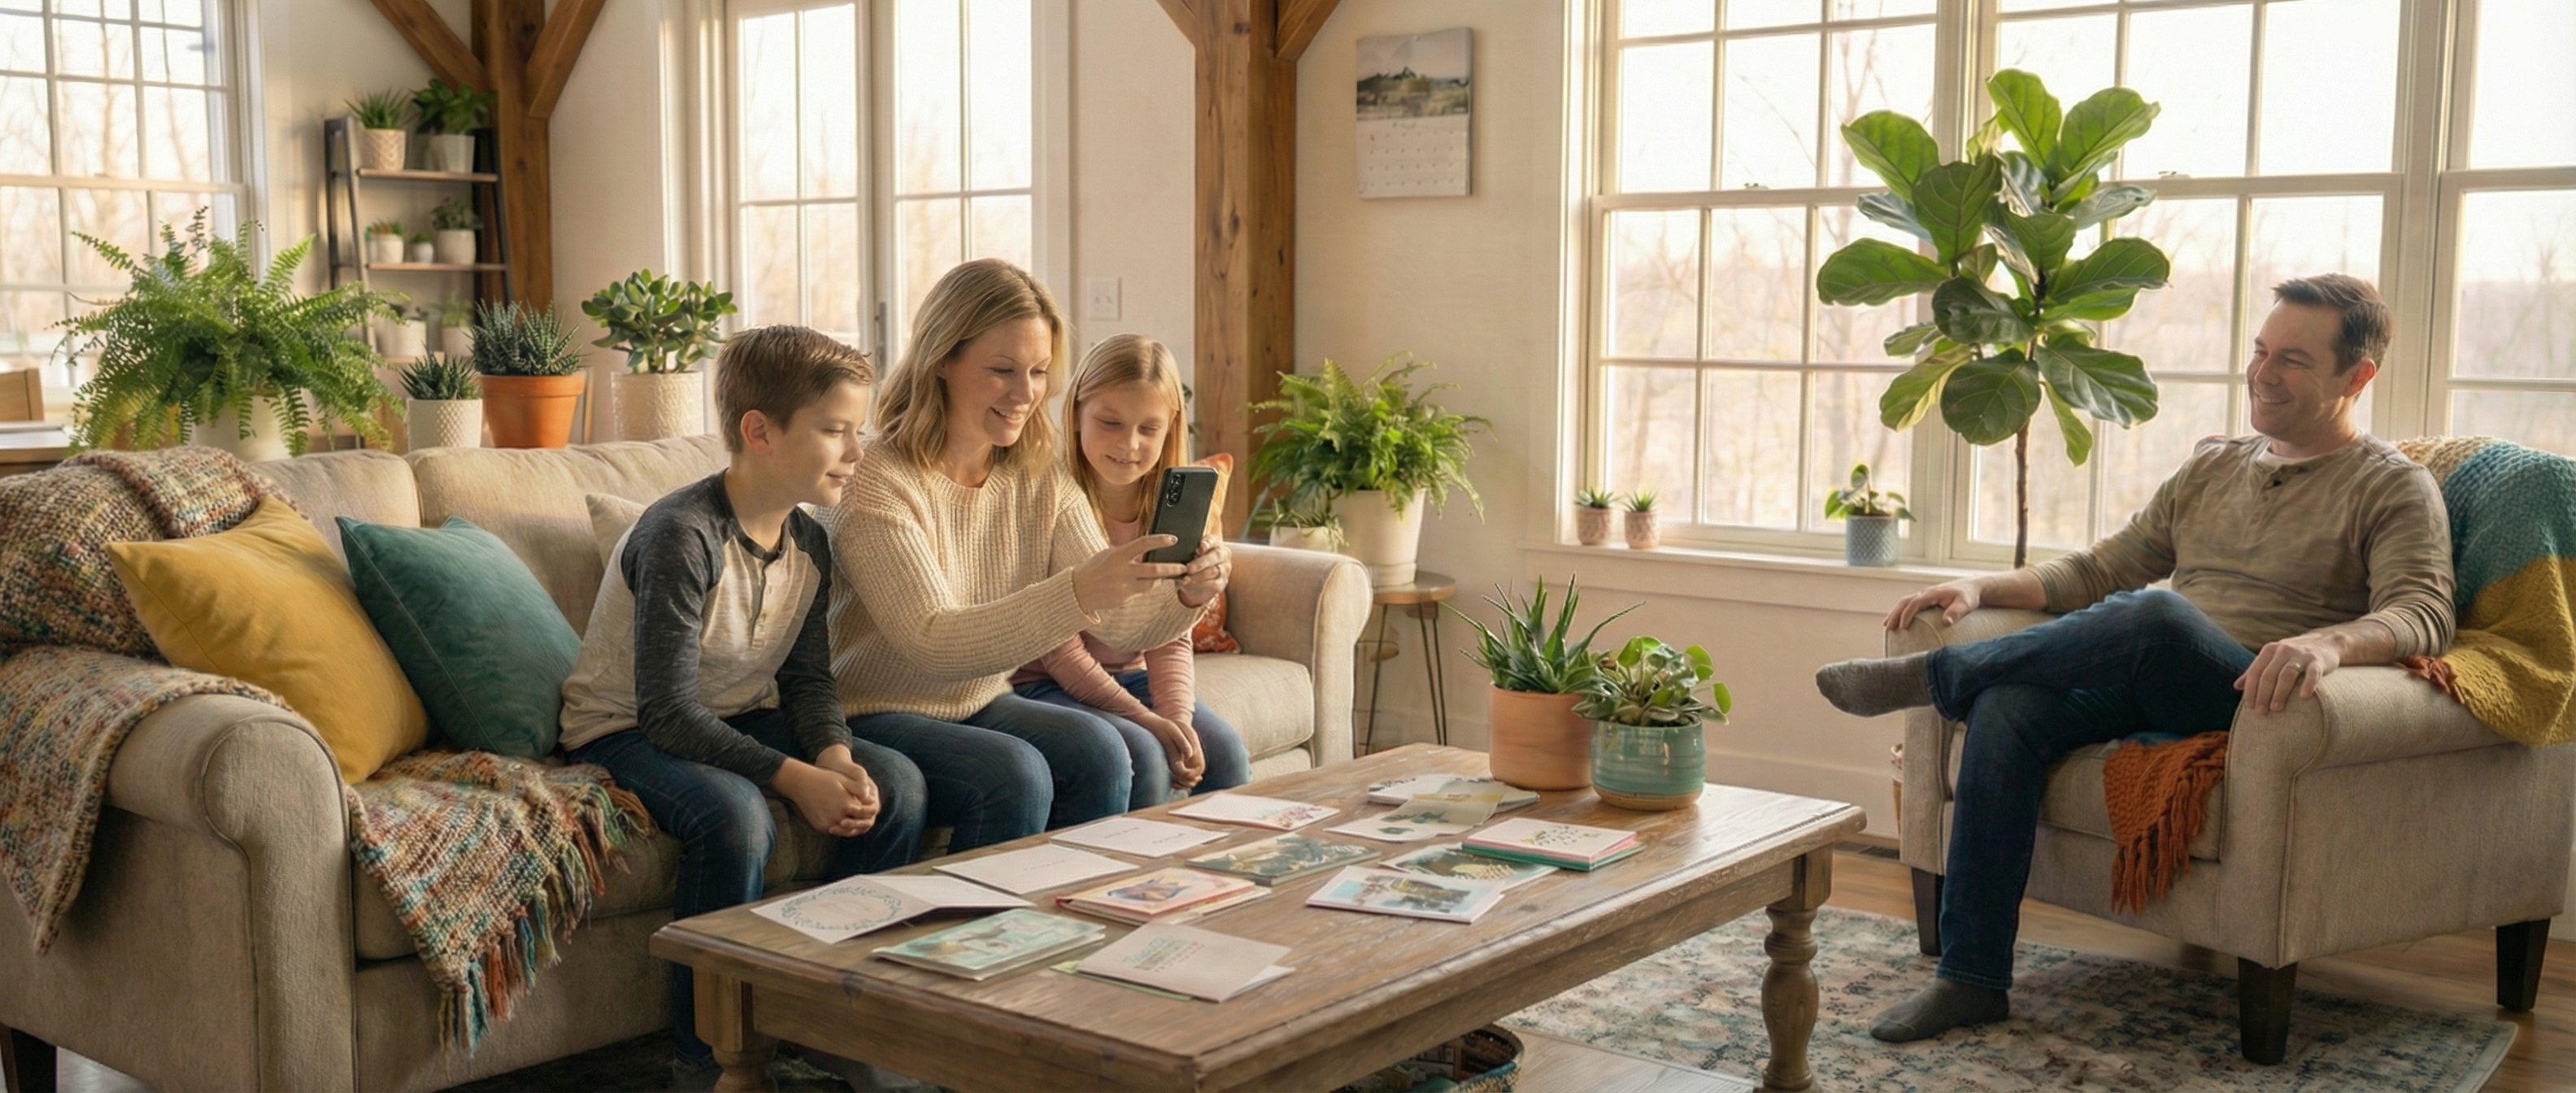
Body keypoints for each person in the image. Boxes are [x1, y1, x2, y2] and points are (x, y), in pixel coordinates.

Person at [1813, 274, 2455, 1043]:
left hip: (2256, 702)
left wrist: (2330, 641)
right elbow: (2102, 569)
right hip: (2152, 676)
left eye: (2293, 360)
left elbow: (2424, 613)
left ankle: (1934, 678)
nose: (2262, 373)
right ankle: (1971, 979)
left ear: (2357, 377)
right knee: (2009, 707)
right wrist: (1981, 585)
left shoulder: (2392, 486)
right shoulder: (2214, 466)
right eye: (2260, 351)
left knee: (2157, 614)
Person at [557, 324, 925, 1082]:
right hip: (626, 727)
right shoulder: (682, 535)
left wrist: (833, 757)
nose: (858, 452)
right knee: (736, 817)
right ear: (759, 431)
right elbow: (666, 712)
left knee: (897, 787)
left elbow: (809, 679)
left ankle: (828, 1015)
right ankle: (705, 1060)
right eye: (836, 431)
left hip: (737, 713)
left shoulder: (809, 541)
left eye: (858, 431)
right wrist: (792, 778)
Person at [830, 259, 1230, 843]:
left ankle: (1098, 898)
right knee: (1015, 774)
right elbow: (931, 641)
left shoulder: (1038, 473)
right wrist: (1078, 592)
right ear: (941, 358)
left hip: (980, 697)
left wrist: (1190, 594)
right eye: (1002, 370)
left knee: (1104, 752)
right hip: (876, 707)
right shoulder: (875, 478)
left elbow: (1124, 623)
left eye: (1039, 372)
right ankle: (995, 908)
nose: (1026, 394)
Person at [1010, 333, 1252, 804]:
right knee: (1146, 756)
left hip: (1133, 674)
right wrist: (1145, 719)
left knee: (1224, 752)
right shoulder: (1045, 497)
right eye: (1110, 423)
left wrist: (1176, 717)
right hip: (1044, 682)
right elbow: (1056, 647)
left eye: (1149, 428)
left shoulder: (1173, 506)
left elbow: (1169, 631)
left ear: (1170, 429)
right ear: (1076, 413)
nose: (1129, 444)